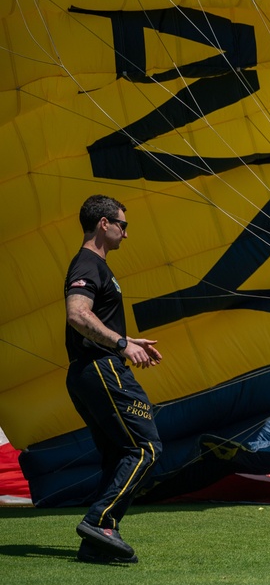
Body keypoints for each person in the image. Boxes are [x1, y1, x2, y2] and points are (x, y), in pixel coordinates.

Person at [64, 194, 163, 564]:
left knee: (117, 454)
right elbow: (77, 314)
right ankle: (100, 521)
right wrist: (121, 345)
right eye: (122, 225)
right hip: (102, 369)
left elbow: (91, 319)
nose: (126, 233)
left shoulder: (96, 266)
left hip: (88, 372)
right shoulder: (89, 263)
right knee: (146, 448)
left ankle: (98, 542)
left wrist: (128, 339)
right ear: (103, 224)